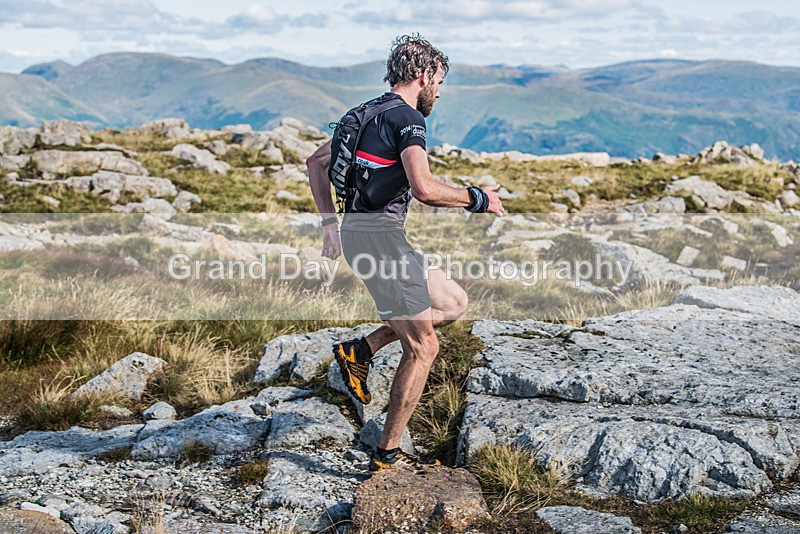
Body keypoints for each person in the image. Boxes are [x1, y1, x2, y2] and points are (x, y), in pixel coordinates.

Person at [306, 34, 504, 474]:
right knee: (424, 347)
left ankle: (361, 349)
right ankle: (386, 456)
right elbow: (425, 189)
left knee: (452, 302)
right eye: (439, 81)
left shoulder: (358, 114)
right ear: (423, 75)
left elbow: (315, 163)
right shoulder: (409, 119)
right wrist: (478, 199)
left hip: (365, 236)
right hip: (381, 242)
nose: (441, 91)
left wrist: (330, 224)